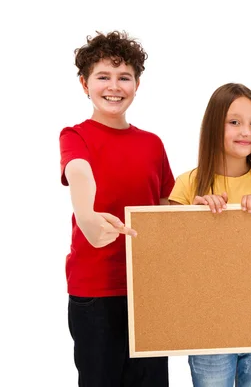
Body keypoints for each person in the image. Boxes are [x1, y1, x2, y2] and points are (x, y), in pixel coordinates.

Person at [59, 30, 174, 387]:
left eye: (124, 77)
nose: (114, 86)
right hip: (95, 293)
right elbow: (79, 172)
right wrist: (87, 215)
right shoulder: (75, 135)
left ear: (137, 84)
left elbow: (167, 206)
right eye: (103, 77)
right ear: (84, 84)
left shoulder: (152, 144)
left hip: (149, 290)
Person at [169, 83, 251, 386]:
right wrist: (194, 219)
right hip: (210, 327)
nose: (246, 131)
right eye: (234, 122)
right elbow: (172, 263)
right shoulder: (187, 185)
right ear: (213, 126)